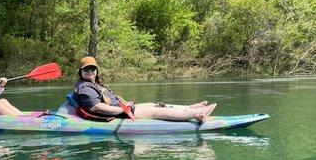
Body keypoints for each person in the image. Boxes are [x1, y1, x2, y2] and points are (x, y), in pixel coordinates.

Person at [73, 56, 217, 122]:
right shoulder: (85, 87)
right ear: (81, 71)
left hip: (124, 109)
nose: (90, 71)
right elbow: (96, 108)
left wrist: (125, 105)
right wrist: (122, 110)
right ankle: (196, 114)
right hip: (121, 113)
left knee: (155, 104)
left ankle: (188, 108)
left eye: (93, 68)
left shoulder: (94, 84)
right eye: (86, 69)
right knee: (157, 111)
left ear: (97, 70)